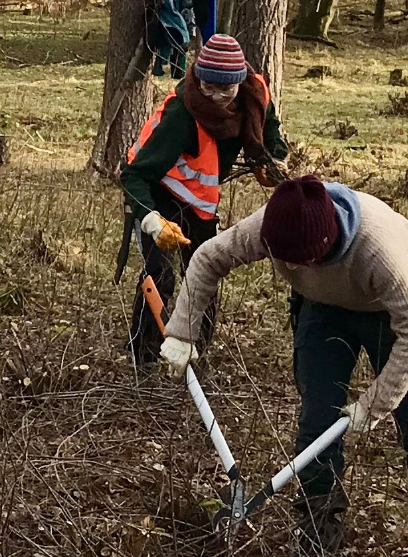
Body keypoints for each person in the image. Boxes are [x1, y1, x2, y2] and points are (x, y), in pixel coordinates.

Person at [160, 176, 408, 557]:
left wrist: (375, 404)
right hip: (323, 313)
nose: (297, 269)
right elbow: (206, 259)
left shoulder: (378, 248)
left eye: (305, 260)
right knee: (316, 427)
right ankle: (317, 537)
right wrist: (182, 333)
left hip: (388, 318)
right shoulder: (270, 226)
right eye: (287, 262)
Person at [121, 33, 286, 366]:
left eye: (224, 90)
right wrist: (153, 221)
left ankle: (195, 353)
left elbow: (270, 131)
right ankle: (144, 357)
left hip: (201, 206)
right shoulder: (182, 113)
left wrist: (271, 161)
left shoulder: (254, 96)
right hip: (160, 197)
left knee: (205, 273)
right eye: (207, 86)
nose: (214, 97)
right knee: (161, 276)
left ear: (240, 83)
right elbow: (133, 176)